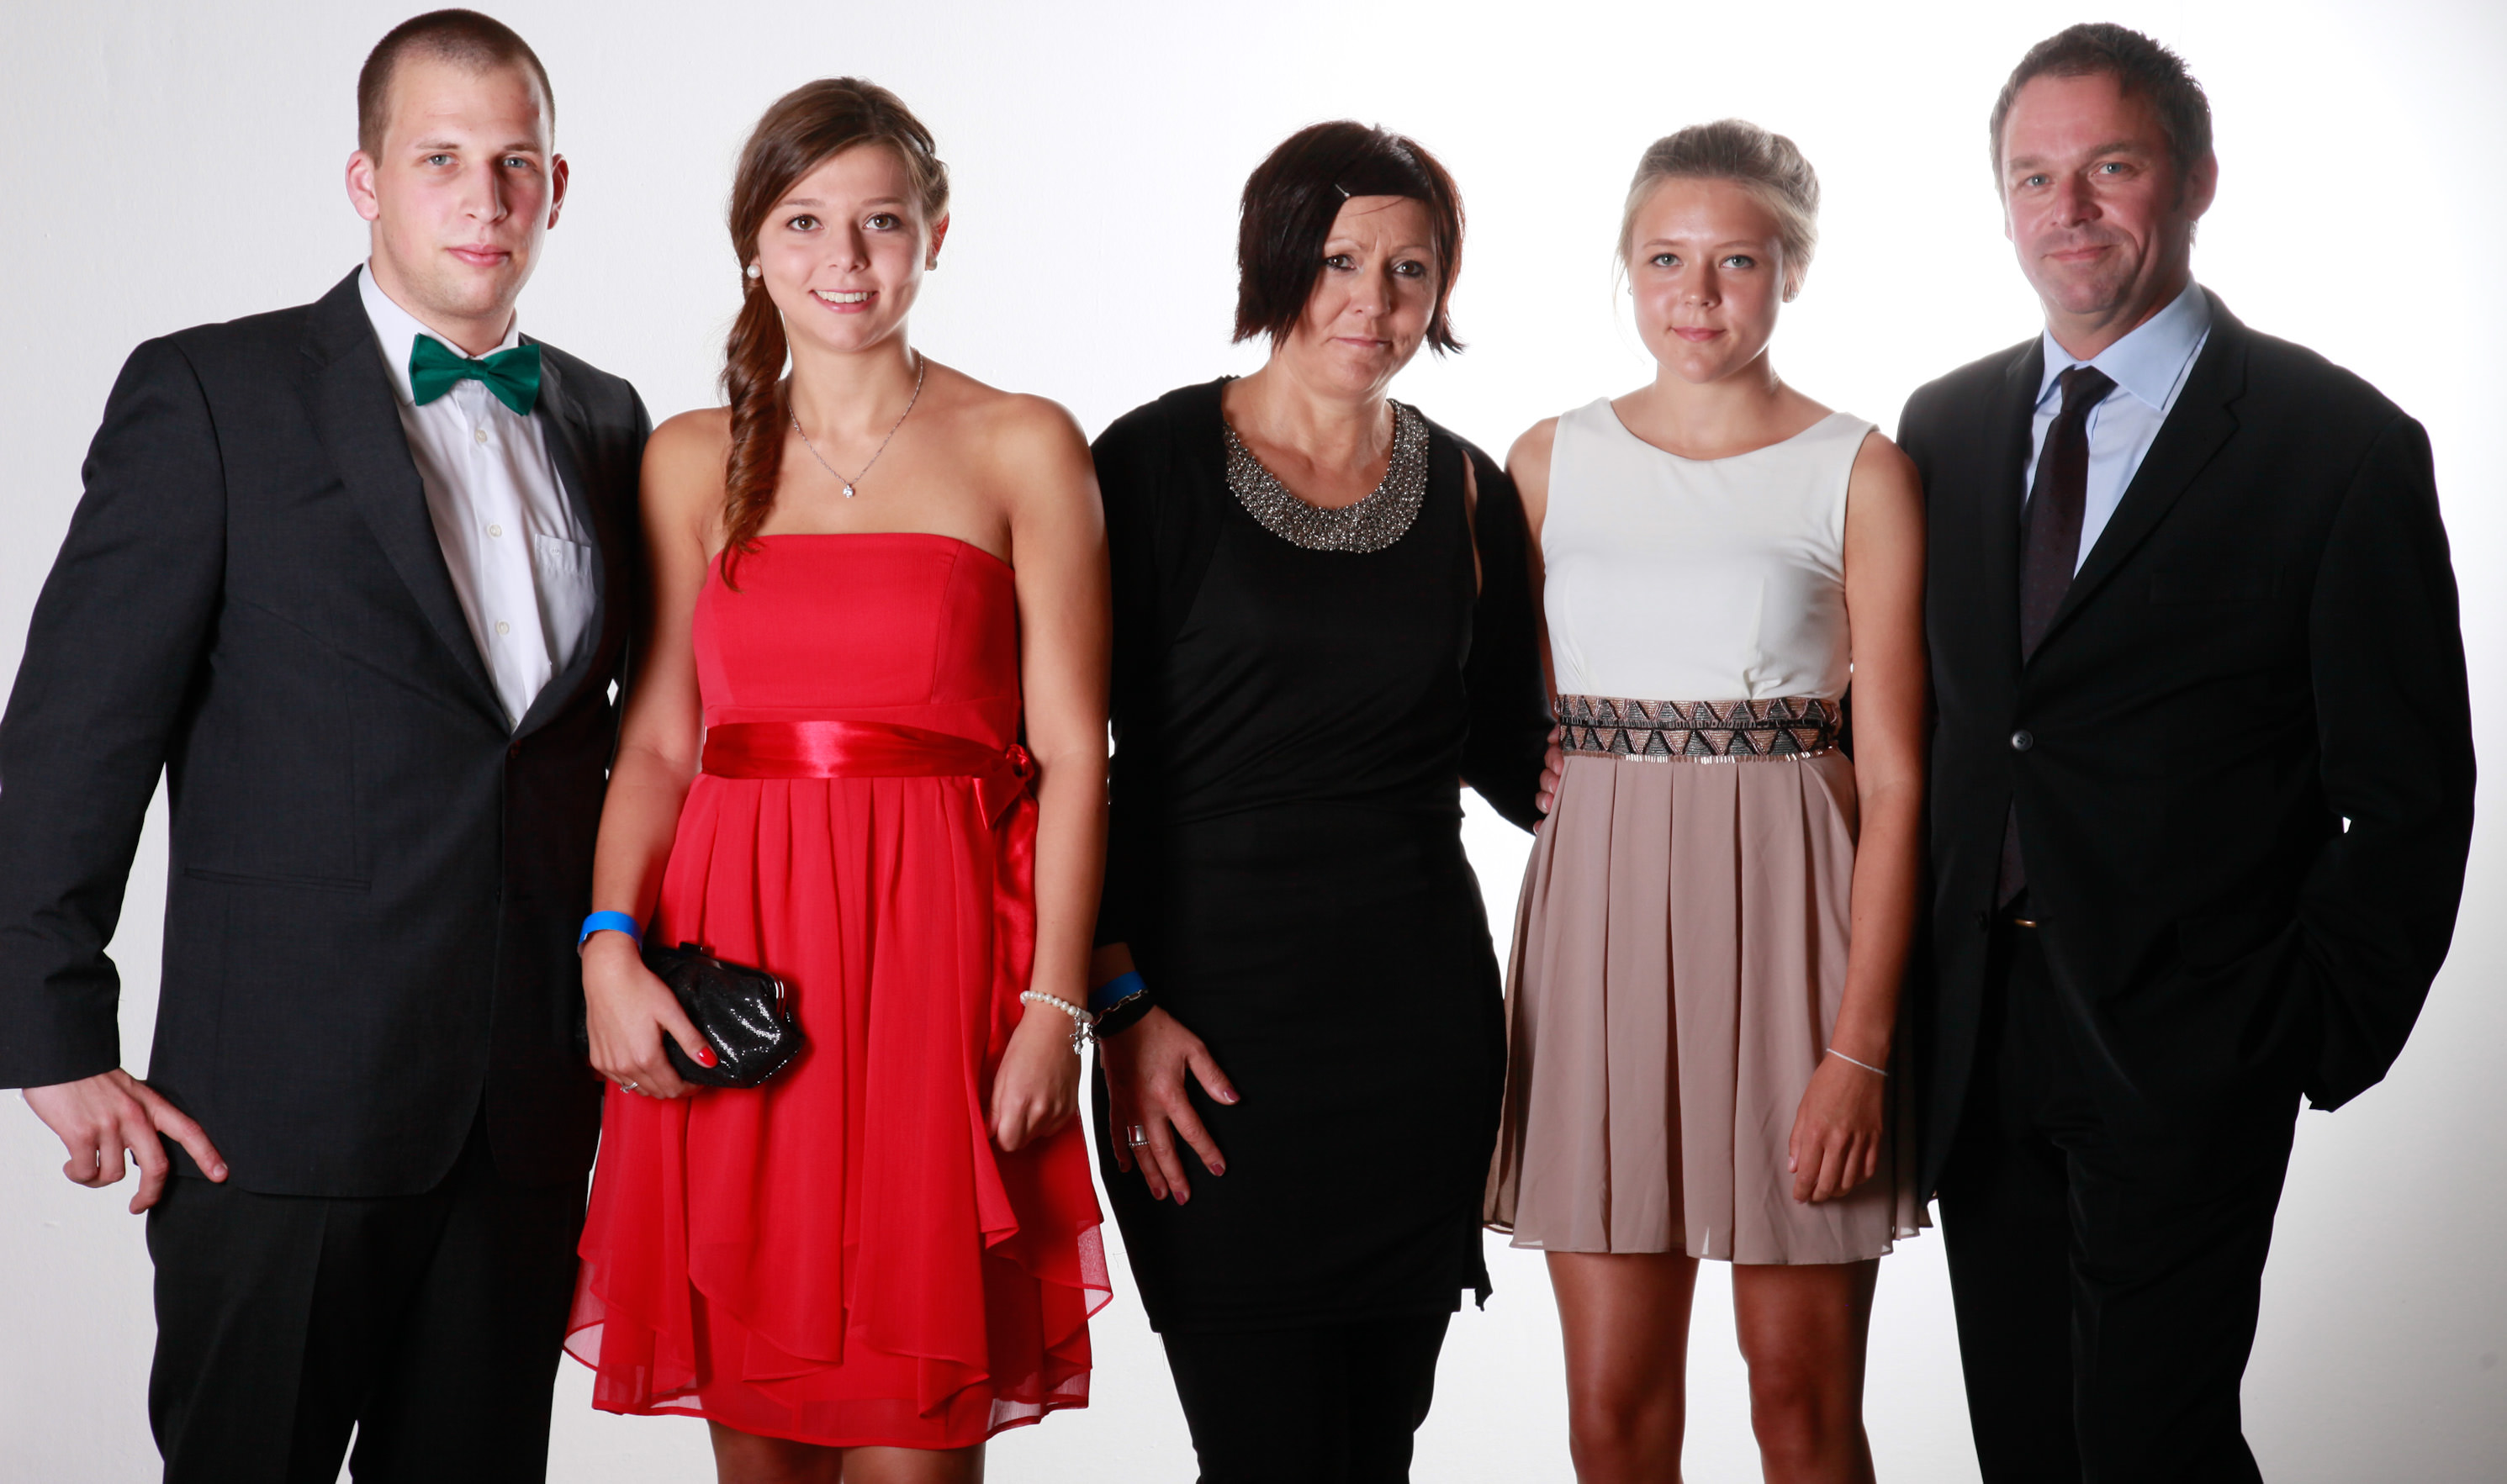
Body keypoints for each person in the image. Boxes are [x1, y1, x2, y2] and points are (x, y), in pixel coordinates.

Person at [0, 10, 646, 1481]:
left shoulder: (608, 422)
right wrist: (47, 1033)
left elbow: (616, 754)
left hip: (526, 1117)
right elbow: (73, 734)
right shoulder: (213, 395)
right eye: (439, 160)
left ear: (557, 187)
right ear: (365, 181)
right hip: (273, 1117)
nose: (483, 198)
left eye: (515, 162)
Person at [1897, 24, 2475, 1481]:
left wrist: (2298, 1028)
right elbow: (1947, 722)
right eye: (2032, 177)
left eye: (2110, 166)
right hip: (1974, 1027)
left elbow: (2409, 792)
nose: (2067, 209)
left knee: (2151, 1445)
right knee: (2026, 1443)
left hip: (2188, 1036)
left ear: (2196, 179)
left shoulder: (2335, 443)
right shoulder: (1942, 427)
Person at [564, 78, 1110, 1481]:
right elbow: (659, 741)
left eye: (881, 221)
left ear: (935, 234)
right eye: (804, 221)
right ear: (754, 243)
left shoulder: (1022, 441)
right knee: (759, 1426)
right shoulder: (691, 456)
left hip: (941, 971)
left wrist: (1053, 1007)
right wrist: (607, 944)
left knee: (915, 1434)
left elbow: (1073, 752)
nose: (844, 258)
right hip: (740, 966)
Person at [1086, 121, 1549, 1483]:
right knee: (1264, 1452)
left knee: (1373, 1450)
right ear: (1274, 259)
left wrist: (1751, 736)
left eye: (1410, 269)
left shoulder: (1466, 486)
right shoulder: (1148, 464)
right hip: (1202, 1036)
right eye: (1339, 260)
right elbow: (1059, 758)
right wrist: (1116, 1005)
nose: (1373, 300)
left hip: (1417, 1035)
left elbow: (1517, 755)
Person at [1490, 122, 1928, 1484]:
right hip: (1600, 926)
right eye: (1663, 259)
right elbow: (1502, 701)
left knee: (1799, 1404)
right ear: (1624, 268)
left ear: (1790, 270)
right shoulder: (1544, 459)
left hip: (1795, 927)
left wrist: (1859, 1049)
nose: (1696, 293)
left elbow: (1899, 775)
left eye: (1735, 260)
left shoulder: (1859, 467)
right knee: (1612, 1413)